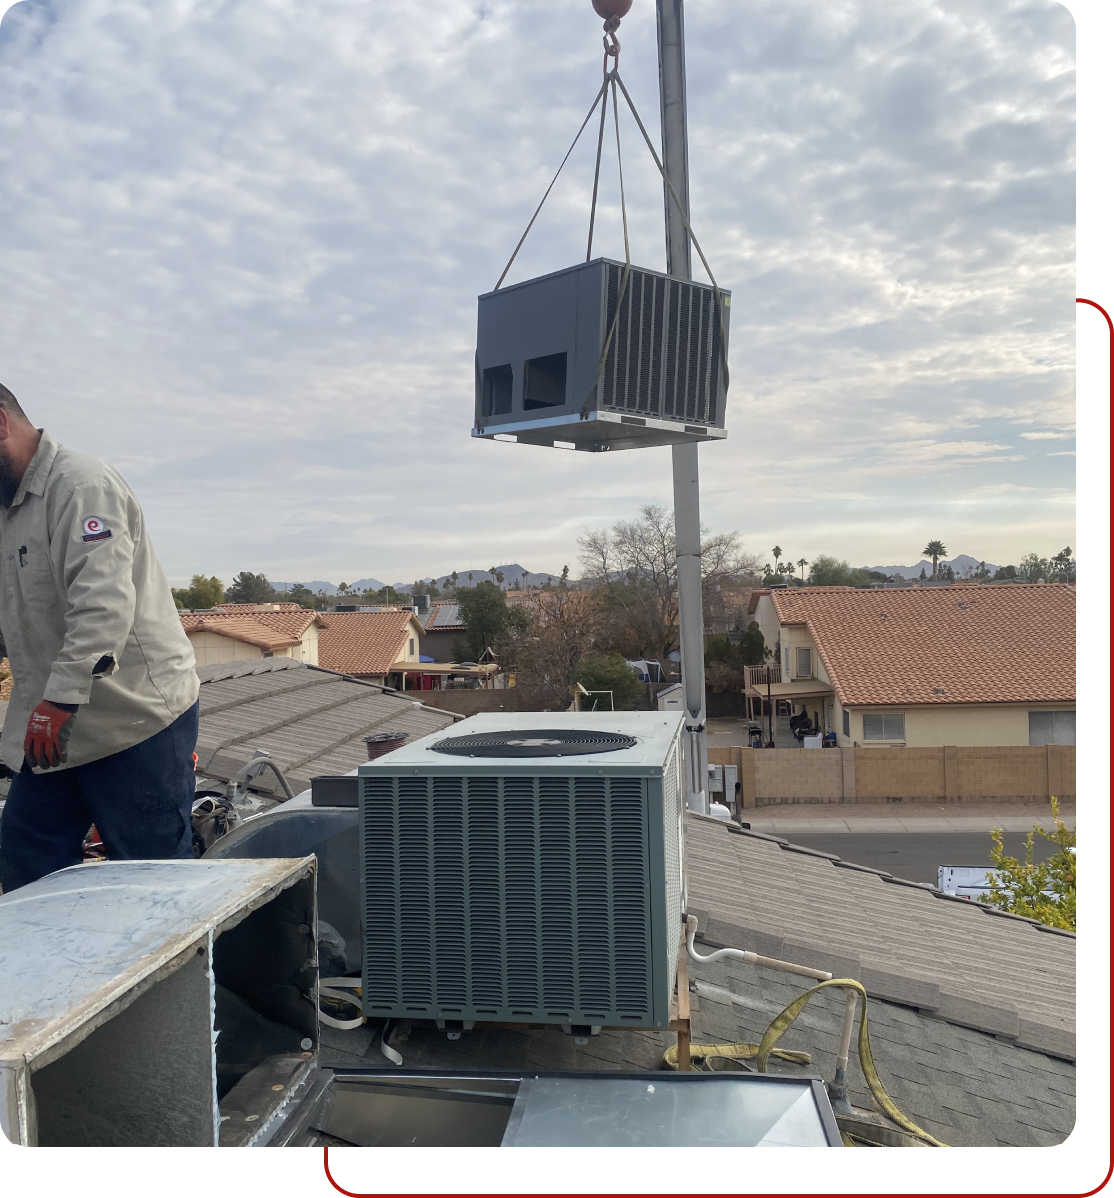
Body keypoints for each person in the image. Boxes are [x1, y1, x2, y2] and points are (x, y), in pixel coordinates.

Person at [0, 383, 200, 892]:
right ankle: (57, 970)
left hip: (134, 721)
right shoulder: (9, 510)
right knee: (26, 856)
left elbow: (102, 606)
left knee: (151, 876)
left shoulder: (82, 486)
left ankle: (178, 973)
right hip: (53, 725)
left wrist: (60, 699)